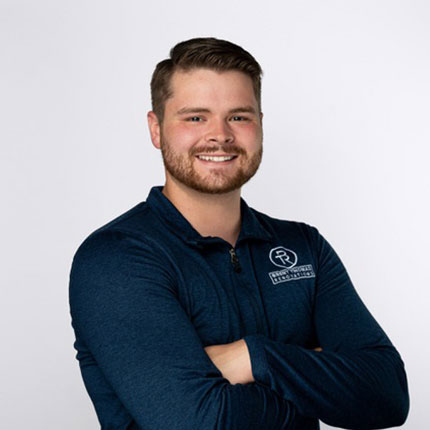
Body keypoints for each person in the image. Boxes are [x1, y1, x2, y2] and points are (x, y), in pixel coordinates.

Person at [69, 37, 409, 429]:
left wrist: (254, 358)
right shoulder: (117, 258)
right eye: (195, 117)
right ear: (156, 129)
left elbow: (388, 395)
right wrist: (316, 381)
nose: (220, 135)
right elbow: (199, 422)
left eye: (239, 116)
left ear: (260, 125)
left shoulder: (303, 247)